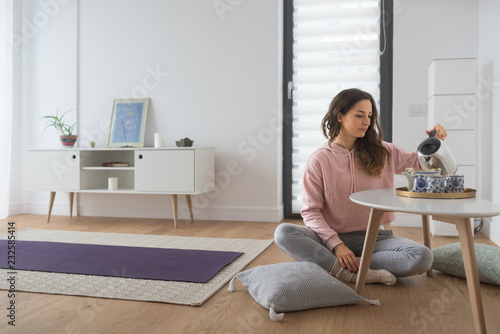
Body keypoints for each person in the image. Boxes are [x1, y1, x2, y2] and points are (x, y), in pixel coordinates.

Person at [275, 88, 448, 285]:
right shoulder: (319, 160)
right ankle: (348, 271)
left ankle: (345, 267)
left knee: (423, 256)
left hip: (375, 238)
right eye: (359, 115)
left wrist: (436, 143)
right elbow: (311, 212)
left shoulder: (383, 151)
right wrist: (336, 245)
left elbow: (420, 163)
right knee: (283, 233)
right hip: (327, 238)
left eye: (369, 116)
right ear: (340, 116)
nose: (367, 122)